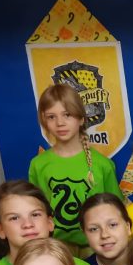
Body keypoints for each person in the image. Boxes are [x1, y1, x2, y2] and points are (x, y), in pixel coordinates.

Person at [29, 83, 122, 248]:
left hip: (97, 248)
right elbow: (36, 212)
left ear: (81, 118)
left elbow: (117, 211)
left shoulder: (102, 164)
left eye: (67, 115)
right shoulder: (38, 164)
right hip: (56, 248)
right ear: (43, 120)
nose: (60, 123)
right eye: (51, 117)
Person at [80, 193, 132, 265]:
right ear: (85, 234)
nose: (104, 235)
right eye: (94, 229)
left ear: (128, 227)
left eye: (112, 225)